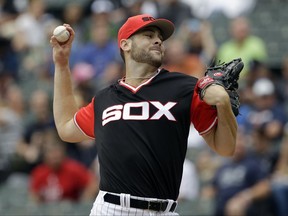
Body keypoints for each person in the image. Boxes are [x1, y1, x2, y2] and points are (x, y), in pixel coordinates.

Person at [50, 14, 238, 215]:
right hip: (112, 209)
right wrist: (61, 64)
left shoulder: (185, 87)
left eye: (160, 37)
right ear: (125, 44)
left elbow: (226, 147)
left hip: (163, 210)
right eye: (148, 35)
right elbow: (66, 128)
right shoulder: (105, 98)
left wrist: (224, 104)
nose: (158, 40)